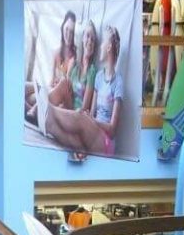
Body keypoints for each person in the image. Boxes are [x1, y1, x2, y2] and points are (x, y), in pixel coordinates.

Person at [26, 24, 125, 156]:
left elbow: (112, 130)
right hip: (92, 131)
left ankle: (45, 110)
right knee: (74, 137)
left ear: (108, 47)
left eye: (101, 43)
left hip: (105, 142)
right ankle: (45, 120)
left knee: (81, 116)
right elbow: (93, 113)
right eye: (87, 37)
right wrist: (90, 118)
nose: (99, 46)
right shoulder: (99, 77)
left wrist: (89, 119)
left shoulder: (118, 82)